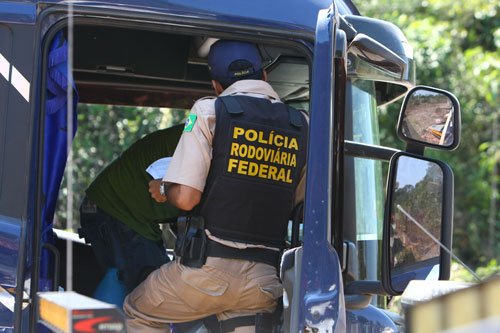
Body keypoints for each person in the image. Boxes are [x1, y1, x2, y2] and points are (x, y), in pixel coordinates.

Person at [123, 40, 308, 332]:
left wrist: (163, 189)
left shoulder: (209, 110)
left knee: (138, 310)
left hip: (205, 271)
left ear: (216, 85)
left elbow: (185, 198)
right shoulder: (302, 125)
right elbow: (298, 201)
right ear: (264, 77)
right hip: (264, 281)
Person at [79, 124, 183, 294]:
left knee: (128, 278)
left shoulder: (200, 128)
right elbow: (191, 199)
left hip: (111, 207)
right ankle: (106, 321)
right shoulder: (208, 140)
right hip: (115, 209)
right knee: (150, 288)